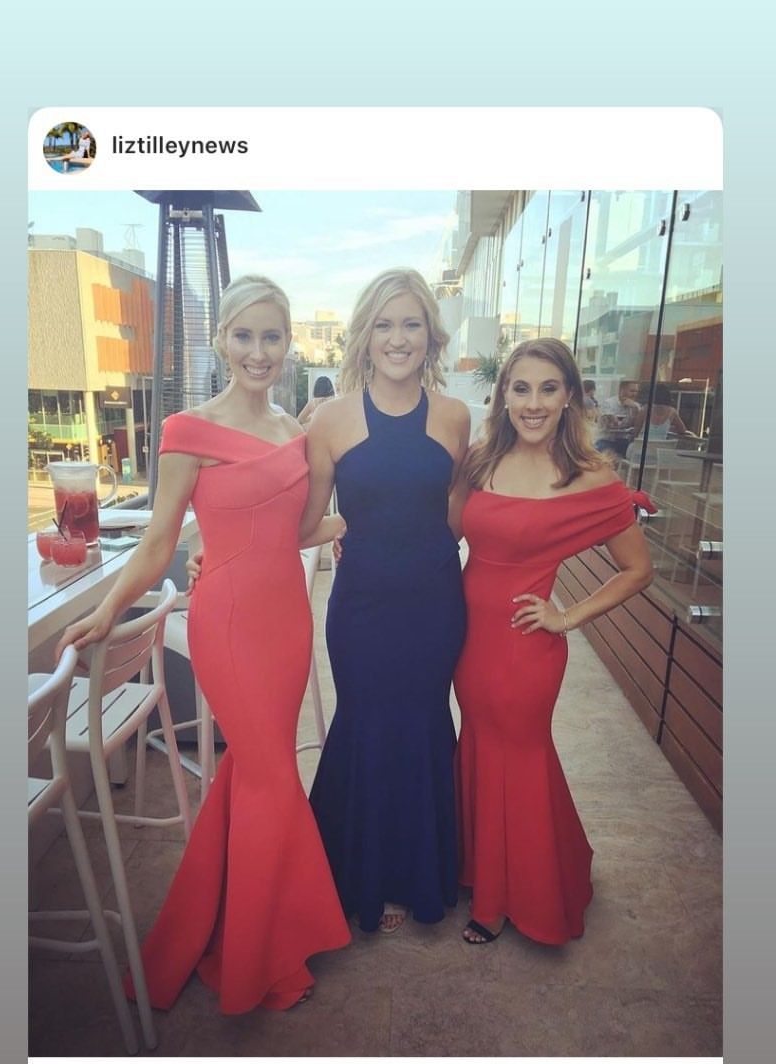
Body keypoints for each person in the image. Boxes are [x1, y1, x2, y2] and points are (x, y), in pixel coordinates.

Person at [55, 275, 350, 1013]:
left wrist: (363, 523)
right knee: (272, 778)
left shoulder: (296, 431)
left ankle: (219, 920)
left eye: (272, 336)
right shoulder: (187, 429)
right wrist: (109, 609)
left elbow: (298, 531)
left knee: (256, 772)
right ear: (220, 340)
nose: (258, 351)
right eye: (244, 335)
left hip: (287, 622)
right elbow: (159, 543)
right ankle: (258, 960)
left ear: (289, 344)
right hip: (229, 624)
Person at [450, 338, 654, 946]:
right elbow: (443, 531)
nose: (533, 403)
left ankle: (500, 901)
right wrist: (355, 535)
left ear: (569, 397)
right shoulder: (481, 460)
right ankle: (488, 867)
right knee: (479, 744)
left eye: (548, 389)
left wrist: (568, 618)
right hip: (468, 639)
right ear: (504, 396)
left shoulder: (589, 477)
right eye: (521, 389)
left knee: (518, 755)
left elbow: (638, 570)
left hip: (526, 643)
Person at [300, 268, 470, 934]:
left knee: (424, 723)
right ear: (365, 336)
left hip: (434, 604)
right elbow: (305, 524)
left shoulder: (455, 417)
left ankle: (418, 877)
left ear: (430, 335)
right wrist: (346, 529)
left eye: (411, 324)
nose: (398, 339)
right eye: (384, 325)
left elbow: (454, 515)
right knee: (367, 724)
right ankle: (361, 880)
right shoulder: (330, 418)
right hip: (362, 608)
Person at [596, 379, 640, 457]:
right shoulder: (609, 403)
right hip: (607, 439)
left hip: (625, 440)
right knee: (605, 455)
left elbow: (638, 426)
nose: (635, 394)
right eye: (632, 391)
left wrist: (635, 410)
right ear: (621, 390)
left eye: (636, 391)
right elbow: (611, 424)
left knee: (635, 453)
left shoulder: (635, 406)